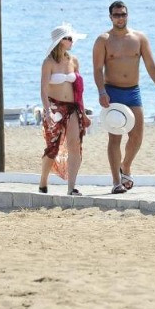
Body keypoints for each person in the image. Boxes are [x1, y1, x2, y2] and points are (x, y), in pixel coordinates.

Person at [93, 1, 155, 194]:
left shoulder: (139, 38)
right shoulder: (103, 40)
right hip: (113, 92)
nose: (120, 18)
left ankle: (125, 165)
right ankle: (116, 182)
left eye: (123, 14)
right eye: (116, 15)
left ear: (127, 15)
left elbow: (151, 65)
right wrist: (101, 91)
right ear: (110, 17)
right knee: (115, 138)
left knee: (137, 136)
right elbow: (97, 69)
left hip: (133, 91)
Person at [39, 23, 92, 196]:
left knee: (75, 145)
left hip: (73, 107)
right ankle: (43, 180)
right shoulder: (48, 62)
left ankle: (71, 187)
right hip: (55, 107)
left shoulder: (73, 61)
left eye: (71, 38)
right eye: (68, 38)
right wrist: (47, 111)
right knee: (52, 148)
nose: (71, 41)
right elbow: (43, 89)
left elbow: (79, 89)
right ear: (60, 41)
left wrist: (83, 112)